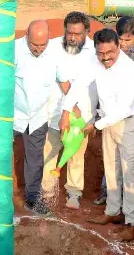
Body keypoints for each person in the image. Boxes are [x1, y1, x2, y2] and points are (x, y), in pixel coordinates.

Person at [60, 28, 134, 242]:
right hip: (108, 120)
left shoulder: (130, 70)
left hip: (131, 121)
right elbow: (79, 84)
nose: (105, 58)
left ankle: (131, 222)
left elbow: (123, 109)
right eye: (101, 53)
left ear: (118, 46)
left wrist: (95, 126)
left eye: (110, 52)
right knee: (110, 167)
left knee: (129, 171)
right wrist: (65, 112)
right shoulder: (94, 60)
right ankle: (112, 211)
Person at [94, 16, 134, 205]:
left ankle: (127, 204)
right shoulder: (108, 52)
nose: (123, 43)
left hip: (131, 118)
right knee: (111, 161)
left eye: (127, 40)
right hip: (110, 117)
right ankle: (109, 196)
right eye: (120, 39)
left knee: (127, 163)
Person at [14, 20, 71, 215]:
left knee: (35, 160)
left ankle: (32, 200)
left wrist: (71, 108)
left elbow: (65, 84)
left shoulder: (55, 53)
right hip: (12, 115)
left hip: (38, 116)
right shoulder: (13, 50)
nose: (38, 49)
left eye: (42, 45)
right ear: (26, 36)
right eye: (34, 45)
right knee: (1, 153)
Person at [42, 12, 98, 210]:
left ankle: (74, 193)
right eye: (69, 33)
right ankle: (47, 192)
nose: (73, 38)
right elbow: (59, 78)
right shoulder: (53, 47)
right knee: (50, 152)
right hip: (54, 112)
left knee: (75, 155)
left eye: (78, 34)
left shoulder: (94, 51)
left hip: (82, 116)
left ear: (87, 32)